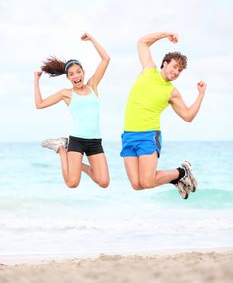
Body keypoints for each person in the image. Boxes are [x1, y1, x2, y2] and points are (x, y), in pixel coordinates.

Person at [120, 31, 207, 199]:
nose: (176, 72)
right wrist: (166, 34)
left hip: (148, 136)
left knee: (147, 181)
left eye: (180, 71)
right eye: (174, 67)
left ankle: (182, 172)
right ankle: (178, 178)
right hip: (128, 135)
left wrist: (201, 95)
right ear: (165, 63)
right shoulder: (148, 70)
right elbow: (142, 42)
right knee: (137, 185)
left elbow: (188, 116)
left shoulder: (172, 92)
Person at [34, 32, 110, 189]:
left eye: (78, 72)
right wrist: (36, 80)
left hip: (95, 141)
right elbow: (39, 104)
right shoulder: (66, 94)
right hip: (77, 140)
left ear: (83, 72)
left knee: (103, 181)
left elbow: (106, 59)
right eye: (71, 74)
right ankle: (62, 150)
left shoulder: (93, 85)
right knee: (72, 183)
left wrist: (92, 39)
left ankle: (74, 161)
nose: (76, 76)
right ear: (68, 78)